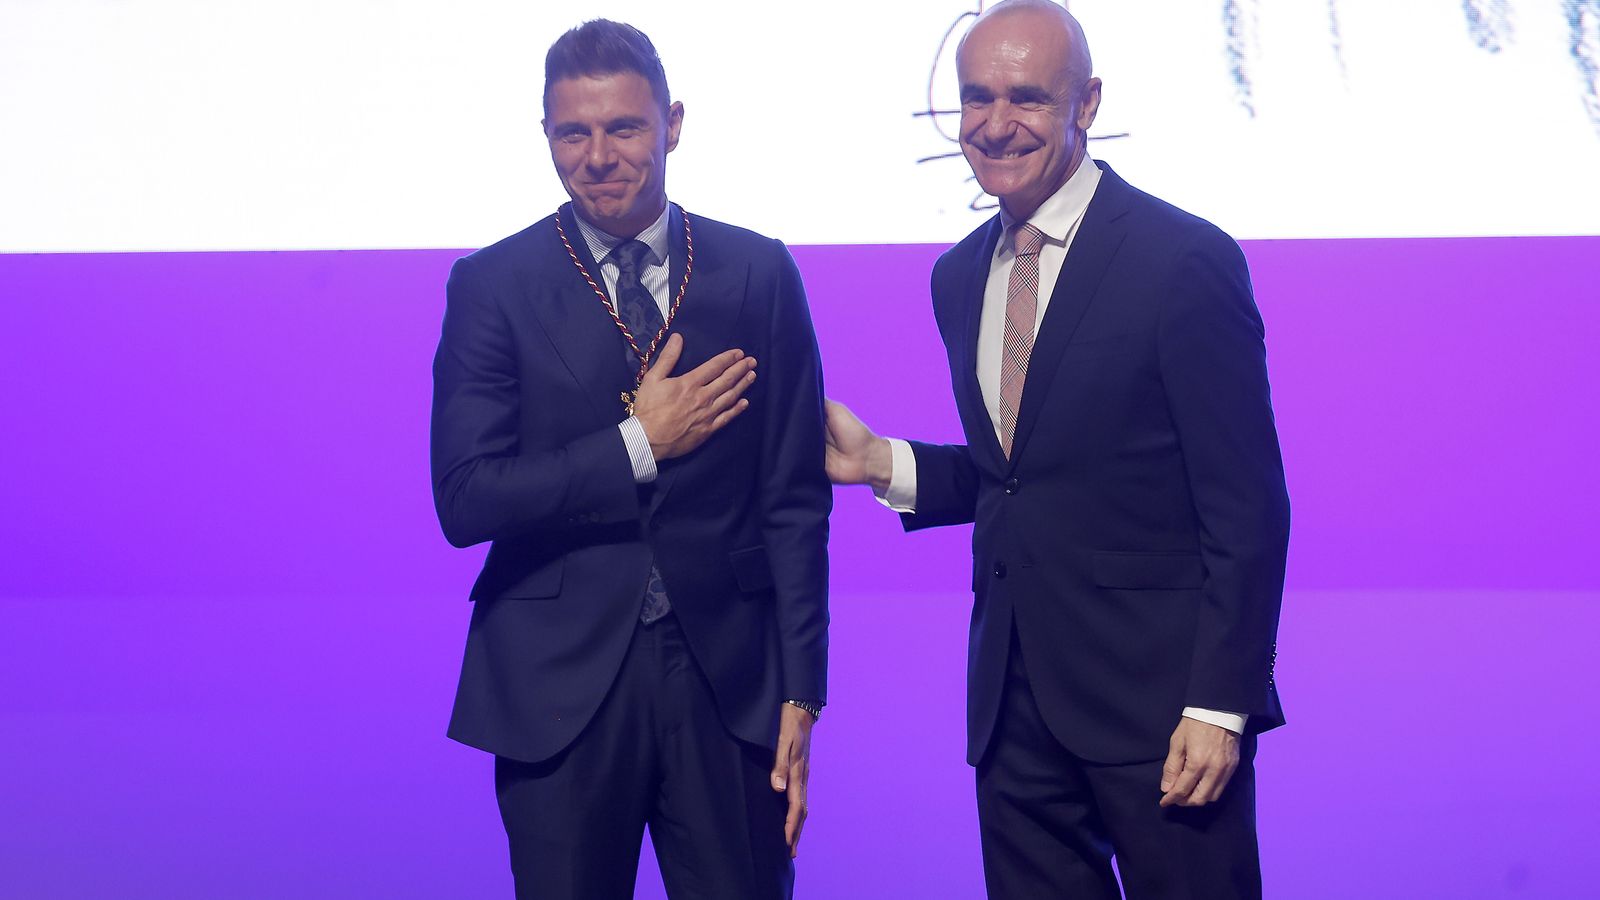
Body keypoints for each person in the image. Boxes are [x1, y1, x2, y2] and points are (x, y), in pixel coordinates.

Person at [825, 2, 1289, 897]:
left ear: (1087, 102)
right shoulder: (957, 274)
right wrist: (882, 462)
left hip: (1164, 716)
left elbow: (1248, 506)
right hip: (1014, 715)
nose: (996, 124)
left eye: (1027, 97)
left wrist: (1218, 704)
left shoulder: (1181, 259)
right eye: (976, 98)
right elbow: (1024, 478)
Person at [429, 19, 830, 900]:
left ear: (672, 124)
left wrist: (804, 689)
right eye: (573, 132)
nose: (598, 156)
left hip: (726, 681)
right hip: (555, 688)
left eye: (624, 128)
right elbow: (465, 499)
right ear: (546, 135)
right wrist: (637, 445)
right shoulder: (492, 285)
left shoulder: (757, 273)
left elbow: (794, 500)